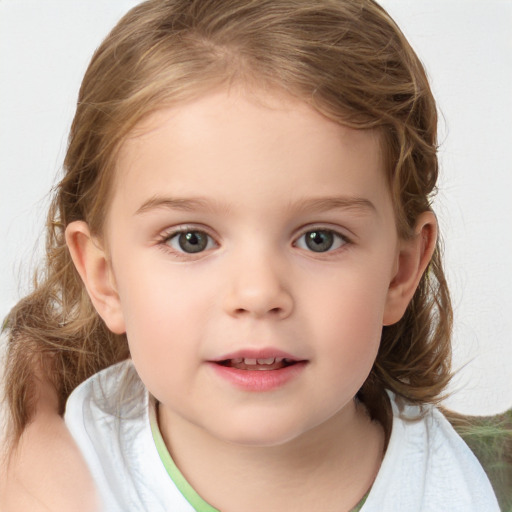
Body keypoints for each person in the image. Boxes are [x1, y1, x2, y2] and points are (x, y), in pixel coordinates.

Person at [0, 0, 503, 510]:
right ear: (105, 279)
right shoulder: (54, 483)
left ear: (400, 272)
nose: (259, 293)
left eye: (319, 238)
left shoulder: (464, 488)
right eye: (190, 239)